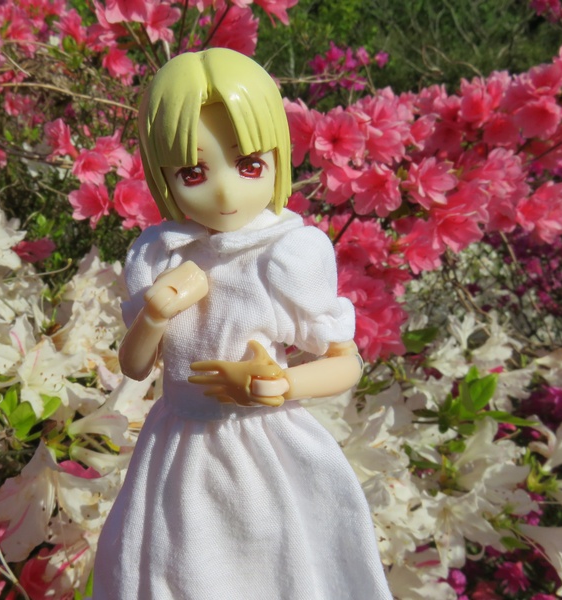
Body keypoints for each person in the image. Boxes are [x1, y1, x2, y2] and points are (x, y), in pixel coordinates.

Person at [92, 48, 392, 600]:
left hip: (263, 447)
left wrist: (281, 384)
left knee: (276, 571)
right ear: (164, 177)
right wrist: (155, 314)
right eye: (193, 173)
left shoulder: (286, 254)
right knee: (175, 570)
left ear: (278, 158)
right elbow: (134, 368)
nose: (225, 191)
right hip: (178, 448)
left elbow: (345, 361)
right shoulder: (160, 254)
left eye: (249, 165)